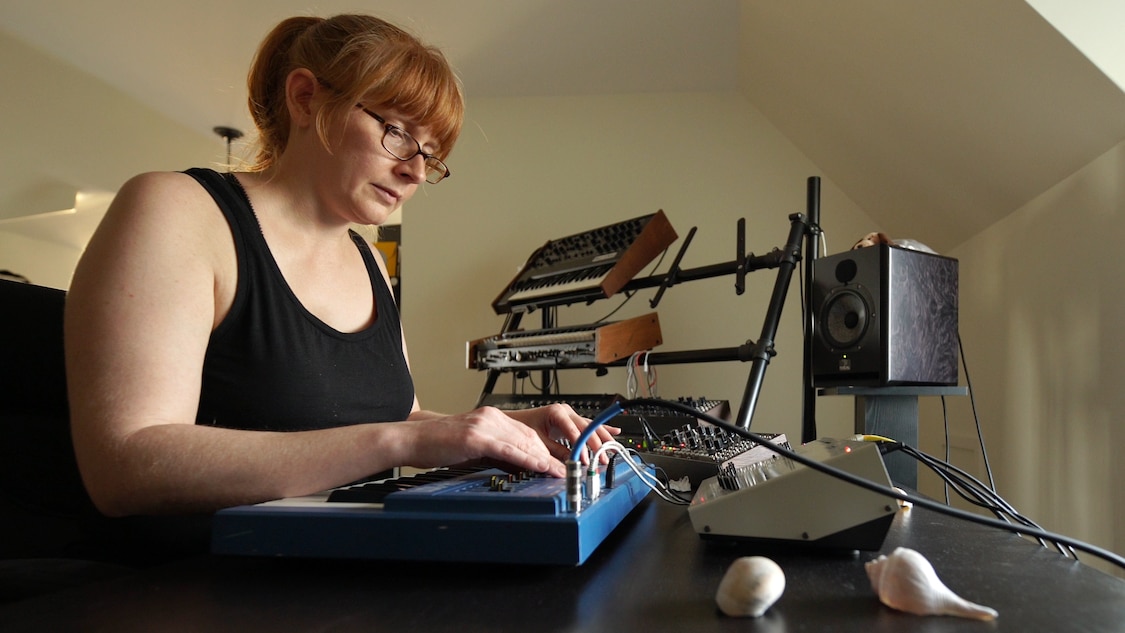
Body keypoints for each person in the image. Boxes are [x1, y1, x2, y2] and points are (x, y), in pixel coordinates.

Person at [64, 14, 616, 519]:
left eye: (430, 153)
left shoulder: (369, 260)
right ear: (305, 99)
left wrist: (511, 429)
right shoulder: (177, 210)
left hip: (345, 572)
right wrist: (403, 444)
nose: (416, 172)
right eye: (398, 131)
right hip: (195, 584)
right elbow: (124, 462)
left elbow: (400, 417)